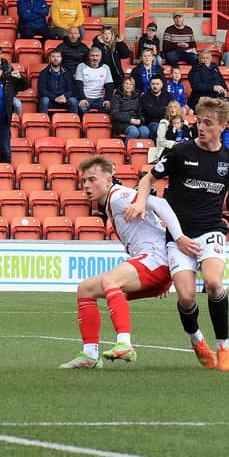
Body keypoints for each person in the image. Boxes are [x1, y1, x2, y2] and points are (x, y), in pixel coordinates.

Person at [125, 97, 229, 372]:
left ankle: (223, 345)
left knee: (213, 284)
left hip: (211, 230)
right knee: (186, 297)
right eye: (199, 121)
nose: (201, 127)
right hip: (179, 236)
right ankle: (197, 340)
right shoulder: (181, 152)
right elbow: (148, 178)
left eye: (208, 123)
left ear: (223, 126)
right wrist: (141, 200)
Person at [59, 155, 195, 369]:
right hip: (153, 264)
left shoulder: (118, 196)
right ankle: (90, 355)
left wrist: (178, 237)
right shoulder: (111, 203)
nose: (86, 185)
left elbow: (160, 203)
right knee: (85, 289)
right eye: (84, 181)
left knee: (110, 280)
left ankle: (124, 343)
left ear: (108, 180)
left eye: (92, 179)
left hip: (155, 259)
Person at [74, 47, 114, 115]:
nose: (95, 58)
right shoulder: (82, 66)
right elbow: (78, 84)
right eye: (92, 55)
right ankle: (89, 120)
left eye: (97, 56)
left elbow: (109, 85)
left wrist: (107, 99)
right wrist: (82, 98)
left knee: (109, 107)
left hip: (99, 99)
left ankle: (96, 119)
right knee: (82, 108)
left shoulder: (105, 68)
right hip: (86, 98)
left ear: (100, 57)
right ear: (89, 56)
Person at [110, 76, 149, 144]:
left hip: (135, 122)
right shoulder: (117, 97)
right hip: (121, 123)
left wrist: (140, 120)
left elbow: (140, 112)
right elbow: (115, 114)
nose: (128, 86)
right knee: (134, 131)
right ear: (123, 85)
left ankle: (137, 150)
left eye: (131, 84)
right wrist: (130, 120)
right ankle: (127, 149)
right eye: (126, 83)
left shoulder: (137, 97)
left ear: (133, 86)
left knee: (145, 131)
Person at [37, 49, 77, 114]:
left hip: (64, 99)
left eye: (58, 56)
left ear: (61, 59)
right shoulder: (43, 73)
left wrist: (64, 96)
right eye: (53, 56)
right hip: (50, 99)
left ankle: (73, 122)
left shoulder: (67, 73)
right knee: (44, 100)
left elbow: (71, 90)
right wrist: (54, 98)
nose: (55, 59)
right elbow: (42, 90)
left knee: (73, 101)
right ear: (49, 58)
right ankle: (43, 122)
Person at [140, 75, 172, 140]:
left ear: (162, 85)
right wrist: (164, 109)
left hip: (166, 121)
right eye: (153, 84)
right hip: (151, 122)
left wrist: (155, 109)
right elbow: (149, 112)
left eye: (157, 84)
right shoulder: (145, 97)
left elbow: (171, 109)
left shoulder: (168, 96)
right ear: (150, 85)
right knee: (156, 128)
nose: (155, 86)